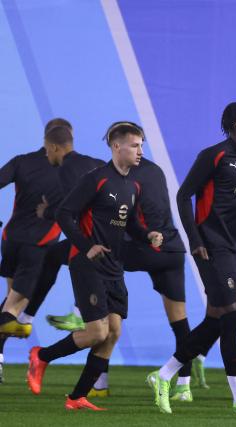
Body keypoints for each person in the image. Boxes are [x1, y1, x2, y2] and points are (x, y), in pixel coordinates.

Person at [147, 102, 236, 415]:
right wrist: (195, 241)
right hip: (209, 245)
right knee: (232, 317)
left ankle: (163, 374)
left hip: (233, 247)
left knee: (218, 319)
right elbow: (183, 196)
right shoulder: (214, 155)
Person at [26, 121, 163, 411]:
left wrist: (147, 234)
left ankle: (76, 398)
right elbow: (64, 214)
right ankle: (41, 356)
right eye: (135, 145)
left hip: (114, 265)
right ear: (116, 147)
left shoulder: (133, 185)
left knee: (113, 332)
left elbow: (132, 224)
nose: (140, 151)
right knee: (97, 332)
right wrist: (87, 247)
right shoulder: (96, 179)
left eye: (142, 145)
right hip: (86, 262)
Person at [20, 122, 105, 337]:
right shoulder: (95, 162)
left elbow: (73, 205)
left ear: (55, 148)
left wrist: (47, 212)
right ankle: (29, 317)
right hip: (108, 234)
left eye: (47, 150)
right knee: (54, 256)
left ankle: (36, 317)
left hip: (92, 238)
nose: (46, 155)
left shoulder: (66, 168)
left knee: (74, 261)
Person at [0, 119, 67, 379]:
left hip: (11, 240)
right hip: (38, 246)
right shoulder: (70, 170)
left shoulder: (21, 161)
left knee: (9, 300)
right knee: (13, 310)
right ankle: (23, 324)